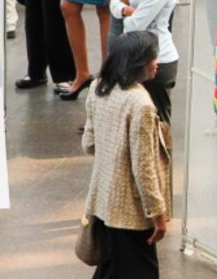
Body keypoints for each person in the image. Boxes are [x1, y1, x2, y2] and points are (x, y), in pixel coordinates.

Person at [82, 30, 171, 279]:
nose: (158, 63)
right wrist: (158, 216)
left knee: (111, 270)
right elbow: (144, 168)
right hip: (131, 214)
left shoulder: (98, 88)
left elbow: (88, 144)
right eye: (154, 57)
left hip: (102, 203)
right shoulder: (140, 103)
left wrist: (113, 150)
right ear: (139, 63)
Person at [108, 0, 178, 124]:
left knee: (158, 123)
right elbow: (114, 1)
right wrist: (128, 9)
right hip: (138, 56)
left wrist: (124, 11)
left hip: (158, 61)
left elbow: (136, 25)